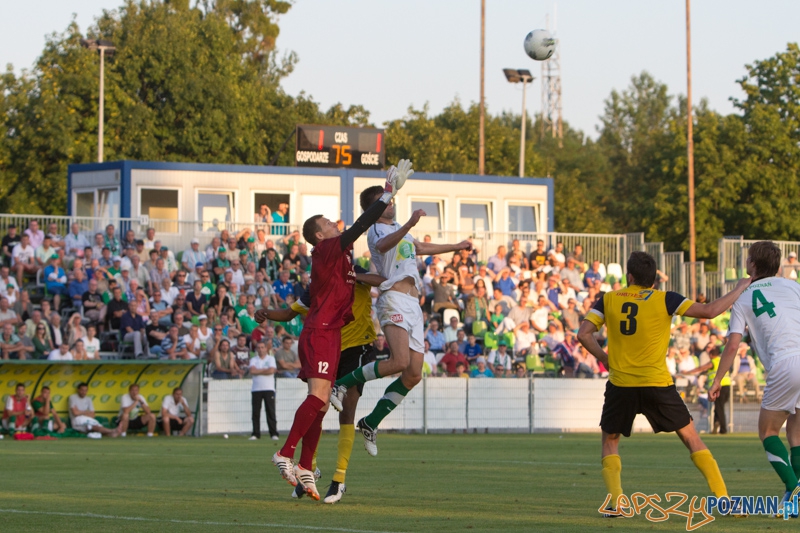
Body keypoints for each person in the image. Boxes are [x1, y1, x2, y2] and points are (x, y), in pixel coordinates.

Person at [268, 160, 410, 501]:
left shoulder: (342, 258)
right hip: (321, 331)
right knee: (318, 399)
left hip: (331, 334)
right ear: (320, 235)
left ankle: (305, 466)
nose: (335, 224)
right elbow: (360, 226)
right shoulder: (329, 249)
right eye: (329, 223)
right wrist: (388, 193)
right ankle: (285, 453)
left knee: (318, 405)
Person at [577, 250, 751, 516]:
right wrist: (739, 287)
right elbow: (710, 311)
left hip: (621, 384)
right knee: (692, 439)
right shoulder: (665, 299)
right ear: (654, 280)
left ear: (629, 276)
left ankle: (617, 504)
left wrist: (604, 358)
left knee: (610, 441)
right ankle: (724, 501)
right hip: (657, 383)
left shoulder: (608, 299)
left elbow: (584, 334)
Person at [331, 176, 471, 458]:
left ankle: (370, 423)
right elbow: (383, 249)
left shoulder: (398, 229)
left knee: (413, 374)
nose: (391, 204)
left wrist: (457, 246)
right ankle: (343, 383)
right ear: (375, 208)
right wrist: (409, 223)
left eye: (392, 200)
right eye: (386, 201)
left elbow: (418, 247)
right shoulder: (375, 231)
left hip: (412, 303)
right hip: (392, 297)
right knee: (399, 361)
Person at [256, 265, 384, 503]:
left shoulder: (354, 271)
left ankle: (339, 479)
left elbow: (381, 280)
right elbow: (290, 312)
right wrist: (266, 313)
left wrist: (353, 275)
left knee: (346, 410)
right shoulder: (319, 285)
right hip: (328, 346)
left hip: (357, 346)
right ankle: (309, 469)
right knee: (319, 407)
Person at [709, 241, 800, 509]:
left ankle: (794, 491)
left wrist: (717, 379)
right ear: (779, 265)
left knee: (768, 431)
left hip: (784, 363)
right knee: (796, 435)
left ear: (751, 265)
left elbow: (734, 344)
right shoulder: (794, 287)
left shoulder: (743, 296)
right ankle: (793, 496)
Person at [687, 346, 730, 434]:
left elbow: (701, 368)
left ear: (711, 355)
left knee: (719, 408)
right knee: (719, 408)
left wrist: (687, 372)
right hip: (727, 386)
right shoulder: (722, 361)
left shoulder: (713, 361)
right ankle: (716, 425)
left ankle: (723, 429)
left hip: (719, 387)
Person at [249, 341, 278, 441]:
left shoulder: (271, 359)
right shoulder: (253, 359)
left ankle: (273, 433)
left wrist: (258, 371)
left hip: (268, 388)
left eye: (262, 347)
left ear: (266, 349)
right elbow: (252, 371)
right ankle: (256, 434)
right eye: (259, 348)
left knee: (270, 411)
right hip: (256, 389)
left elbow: (271, 370)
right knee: (255, 413)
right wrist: (265, 370)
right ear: (256, 349)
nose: (261, 349)